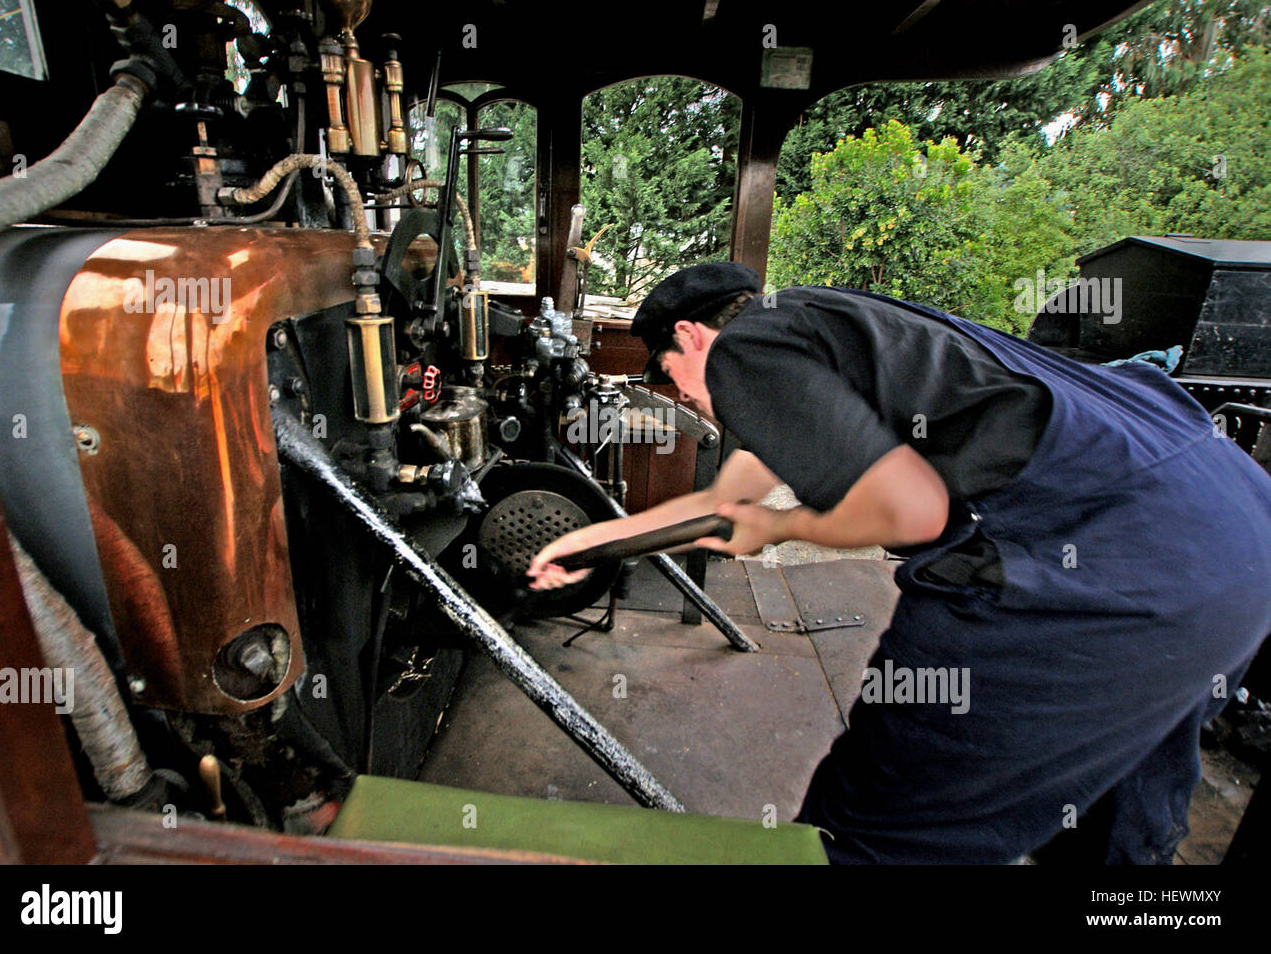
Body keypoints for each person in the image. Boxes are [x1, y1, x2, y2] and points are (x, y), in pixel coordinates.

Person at [526, 261, 1271, 864]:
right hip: (1232, 544)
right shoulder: (840, 324)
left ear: (690, 335)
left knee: (870, 839)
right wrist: (591, 541)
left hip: (1096, 571)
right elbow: (727, 500)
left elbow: (916, 512)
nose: (691, 400)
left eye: (670, 375)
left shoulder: (747, 351)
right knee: (1116, 834)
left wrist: (781, 524)